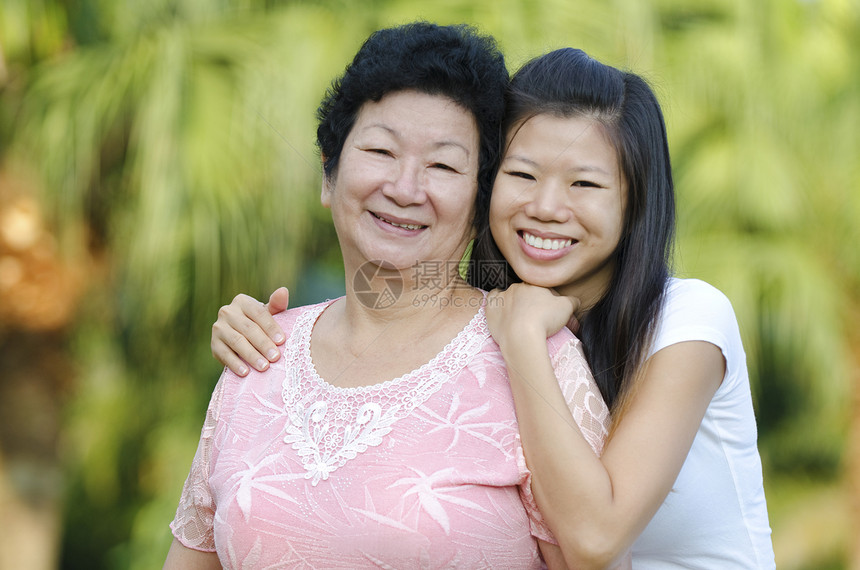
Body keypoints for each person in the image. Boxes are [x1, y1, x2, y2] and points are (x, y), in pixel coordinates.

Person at [212, 47, 776, 568]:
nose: (547, 207)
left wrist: (525, 343)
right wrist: (267, 334)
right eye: (523, 175)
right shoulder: (493, 310)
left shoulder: (688, 320)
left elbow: (595, 538)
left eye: (584, 183)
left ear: (635, 201)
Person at [165, 23, 613, 569]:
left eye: (443, 165)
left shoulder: (541, 362)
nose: (404, 188)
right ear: (329, 176)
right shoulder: (257, 351)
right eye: (380, 150)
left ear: (481, 204)